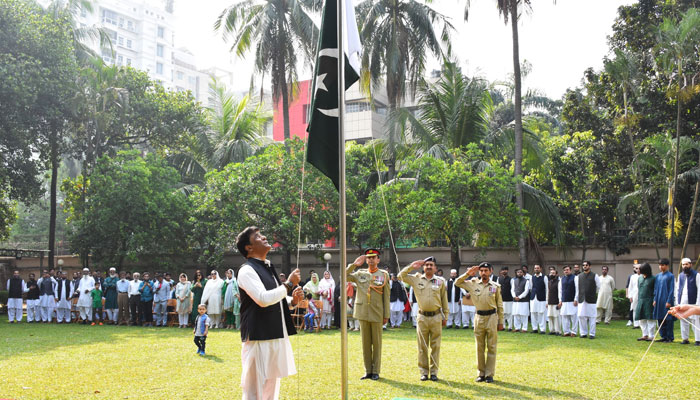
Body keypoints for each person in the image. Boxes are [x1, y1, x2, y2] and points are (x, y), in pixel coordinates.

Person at [236, 226, 303, 400]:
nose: (264, 237)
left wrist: (292, 301)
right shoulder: (246, 270)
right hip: (258, 336)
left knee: (271, 390)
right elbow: (262, 299)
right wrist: (288, 285)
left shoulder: (267, 267)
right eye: (257, 236)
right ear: (248, 248)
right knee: (254, 390)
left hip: (274, 334)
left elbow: (275, 299)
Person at [398, 256, 447, 381]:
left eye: (431, 265)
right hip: (422, 317)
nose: (429, 266)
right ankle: (424, 372)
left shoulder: (440, 281)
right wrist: (411, 266)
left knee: (435, 346)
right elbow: (400, 276)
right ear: (423, 267)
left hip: (436, 316)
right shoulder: (416, 279)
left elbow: (444, 300)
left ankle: (434, 372)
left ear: (435, 268)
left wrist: (445, 316)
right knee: (422, 346)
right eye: (426, 265)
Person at [456, 263, 504, 384]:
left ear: (491, 271)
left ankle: (489, 374)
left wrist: (501, 321)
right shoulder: (473, 284)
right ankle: (481, 373)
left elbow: (500, 305)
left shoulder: (495, 286)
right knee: (480, 347)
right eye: (481, 271)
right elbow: (457, 282)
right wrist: (468, 274)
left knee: (492, 346)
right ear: (479, 272)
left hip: (492, 317)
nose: (483, 273)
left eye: (486, 271)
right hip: (479, 317)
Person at [347, 248, 390, 380]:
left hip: (377, 312)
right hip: (363, 312)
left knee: (376, 343)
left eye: (374, 257)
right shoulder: (360, 273)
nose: (371, 259)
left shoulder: (383, 275)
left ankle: (376, 370)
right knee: (365, 344)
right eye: (369, 257)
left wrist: (386, 314)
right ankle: (368, 371)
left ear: (378, 259)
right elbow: (344, 275)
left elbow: (386, 296)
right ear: (366, 260)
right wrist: (354, 264)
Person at [676, 258, 699, 345]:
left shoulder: (697, 275)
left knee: (695, 321)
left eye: (686, 264)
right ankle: (685, 339)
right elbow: (678, 289)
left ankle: (698, 339)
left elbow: (699, 290)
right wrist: (678, 302)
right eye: (683, 264)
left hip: (693, 302)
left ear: (690, 265)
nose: (685, 266)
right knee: (683, 320)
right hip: (682, 301)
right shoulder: (680, 275)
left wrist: (697, 304)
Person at [653, 258, 675, 343]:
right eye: (659, 265)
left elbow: (671, 289)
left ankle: (670, 337)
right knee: (660, 318)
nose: (660, 267)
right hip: (659, 300)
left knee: (668, 319)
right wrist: (654, 299)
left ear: (667, 266)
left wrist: (669, 301)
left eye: (662, 265)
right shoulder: (657, 276)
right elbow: (655, 288)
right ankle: (663, 336)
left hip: (666, 300)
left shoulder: (670, 276)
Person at [577, 261, 600, 339]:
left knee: (592, 317)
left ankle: (592, 334)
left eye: (586, 265)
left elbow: (598, 287)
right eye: (583, 265)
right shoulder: (579, 276)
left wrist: (592, 293)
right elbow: (577, 289)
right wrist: (576, 299)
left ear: (590, 266)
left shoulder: (595, 275)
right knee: (581, 316)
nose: (585, 266)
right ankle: (583, 333)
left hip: (591, 299)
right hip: (581, 299)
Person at [635, 263, 656, 342]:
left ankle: (651, 335)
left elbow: (655, 290)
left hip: (649, 300)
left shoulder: (653, 278)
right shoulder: (639, 278)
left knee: (650, 319)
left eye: (640, 269)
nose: (638, 270)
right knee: (641, 319)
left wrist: (654, 300)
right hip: (641, 300)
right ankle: (645, 335)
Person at [559, 265, 577, 337]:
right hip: (564, 301)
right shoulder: (561, 279)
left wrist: (576, 299)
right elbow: (560, 291)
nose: (566, 271)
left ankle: (574, 332)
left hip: (572, 301)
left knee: (573, 317)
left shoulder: (575, 278)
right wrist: (560, 300)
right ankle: (566, 332)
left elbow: (577, 289)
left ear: (570, 270)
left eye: (567, 270)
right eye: (565, 270)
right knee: (564, 317)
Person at [529, 265, 547, 334]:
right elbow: (531, 287)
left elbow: (547, 288)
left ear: (540, 269)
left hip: (541, 298)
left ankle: (542, 329)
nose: (536, 269)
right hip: (533, 298)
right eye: (535, 268)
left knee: (541, 313)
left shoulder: (544, 277)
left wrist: (546, 298)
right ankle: (535, 328)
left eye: (538, 268)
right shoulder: (532, 277)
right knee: (533, 313)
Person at [511, 269, 530, 333]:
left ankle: (524, 328)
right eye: (518, 272)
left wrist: (519, 297)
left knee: (524, 314)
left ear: (523, 273)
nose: (519, 273)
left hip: (524, 300)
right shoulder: (514, 281)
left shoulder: (526, 281)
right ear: (516, 273)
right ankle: (517, 327)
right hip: (515, 300)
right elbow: (512, 289)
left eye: (521, 272)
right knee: (516, 314)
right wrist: (514, 296)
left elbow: (526, 291)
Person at [546, 266, 561, 335]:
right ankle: (552, 330)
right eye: (551, 273)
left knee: (556, 317)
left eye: (553, 273)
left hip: (556, 302)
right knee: (550, 316)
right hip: (549, 302)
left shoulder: (559, 282)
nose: (552, 274)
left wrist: (560, 302)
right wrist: (546, 302)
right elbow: (547, 293)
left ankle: (557, 331)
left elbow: (560, 292)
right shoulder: (549, 282)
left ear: (556, 274)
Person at [497, 267, 513, 331]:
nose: (504, 271)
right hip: (501, 299)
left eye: (505, 270)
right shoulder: (499, 279)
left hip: (509, 299)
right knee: (502, 313)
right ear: (501, 271)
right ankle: (502, 326)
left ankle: (510, 327)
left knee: (509, 313)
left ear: (507, 271)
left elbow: (512, 288)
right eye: (503, 270)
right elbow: (497, 288)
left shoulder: (511, 279)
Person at [626, 264, 641, 328]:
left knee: (641, 309)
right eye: (636, 268)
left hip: (642, 296)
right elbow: (630, 287)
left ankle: (641, 324)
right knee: (634, 309)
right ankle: (636, 324)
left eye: (639, 268)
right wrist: (630, 296)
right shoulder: (632, 277)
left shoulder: (644, 276)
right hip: (634, 295)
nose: (638, 270)